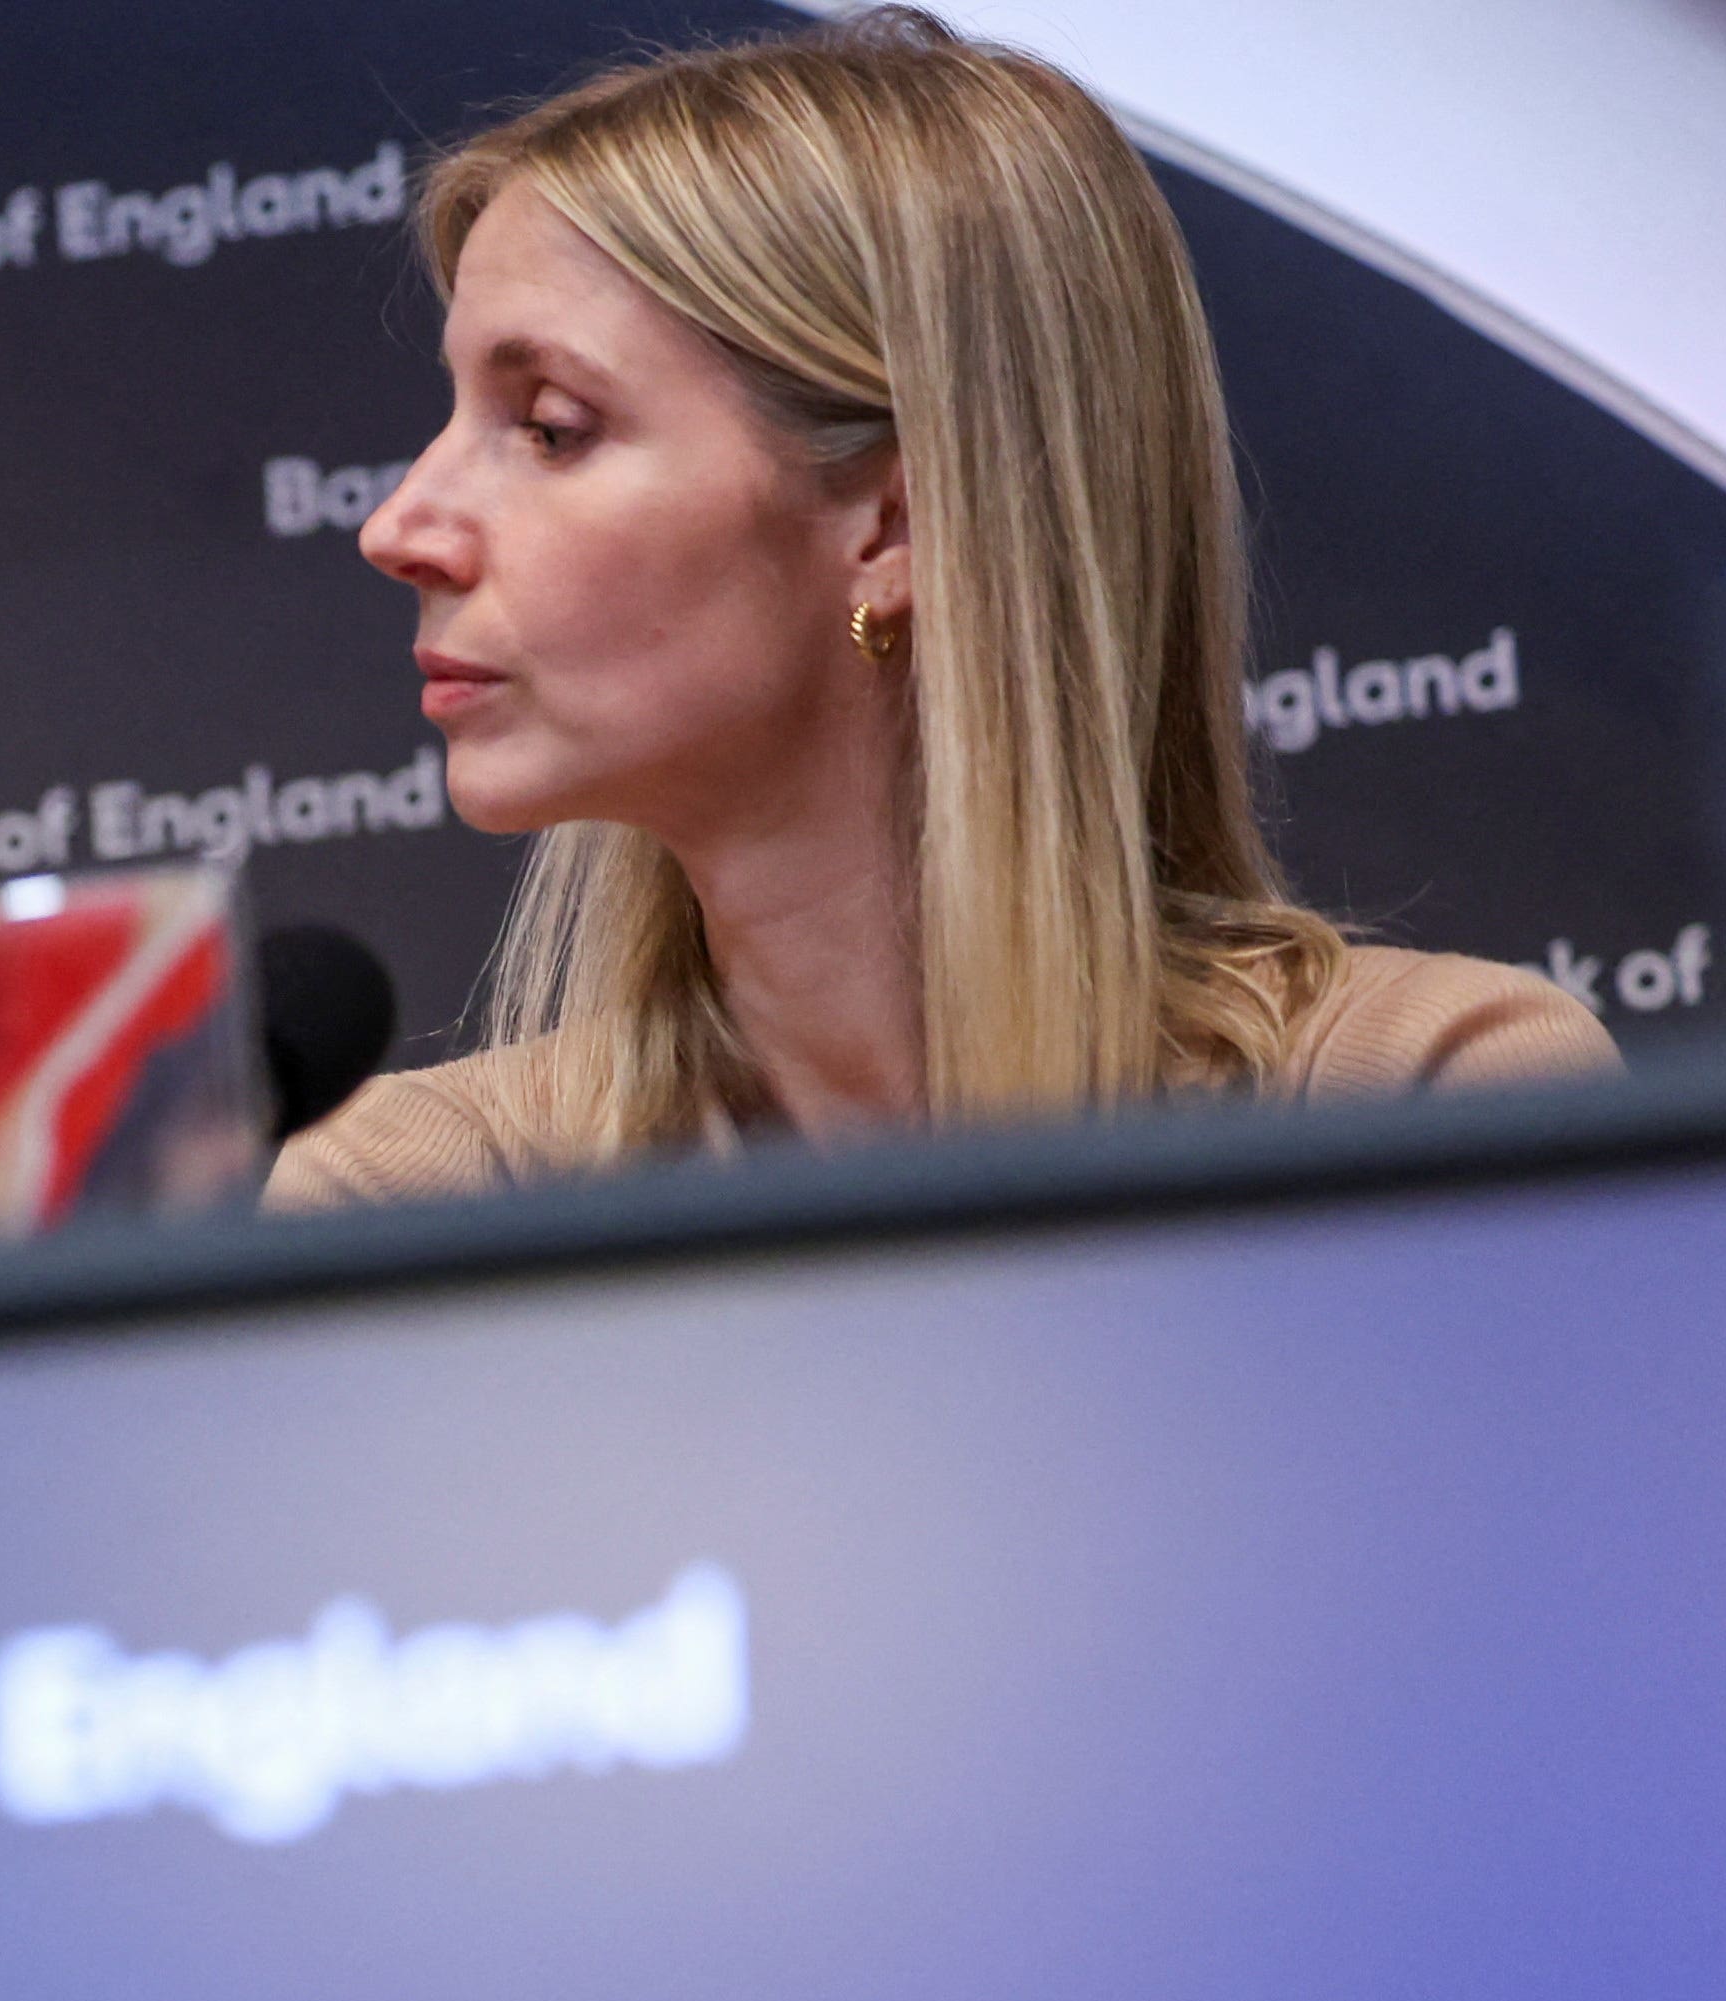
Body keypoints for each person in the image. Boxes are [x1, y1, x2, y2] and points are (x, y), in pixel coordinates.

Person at [272, 10, 1611, 1209]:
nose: (398, 529)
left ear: (894, 525)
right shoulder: (416, 1197)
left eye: (551, 427)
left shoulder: (1425, 1106)